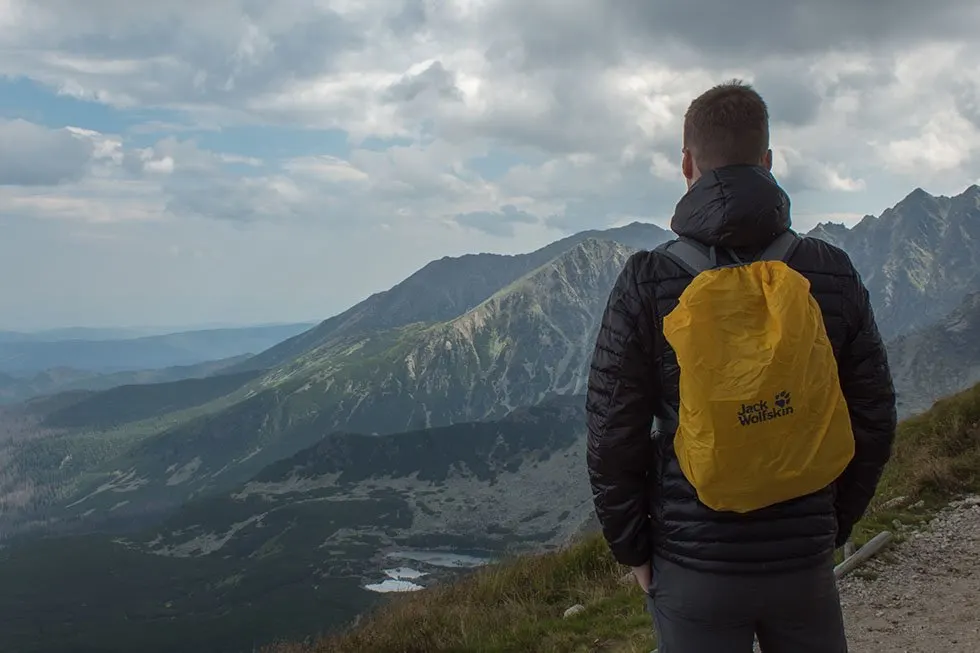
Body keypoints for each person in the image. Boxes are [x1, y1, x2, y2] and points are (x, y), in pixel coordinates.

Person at [585, 80, 897, 652]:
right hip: (803, 559)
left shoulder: (648, 280)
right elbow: (873, 414)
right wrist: (832, 524)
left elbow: (612, 433)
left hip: (692, 563)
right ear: (769, 161)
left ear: (686, 163)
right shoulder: (829, 271)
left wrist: (634, 550)